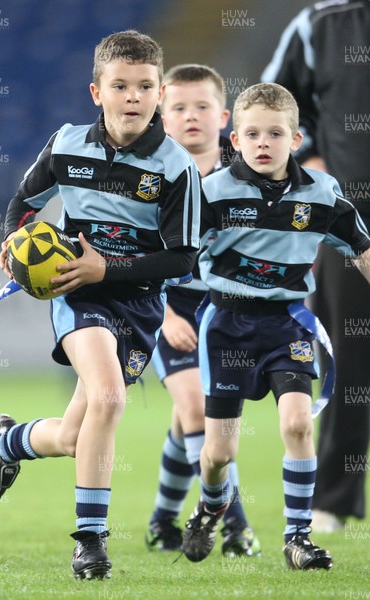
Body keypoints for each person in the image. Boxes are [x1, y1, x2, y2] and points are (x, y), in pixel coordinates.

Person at [0, 30, 201, 581]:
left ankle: (8, 443)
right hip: (78, 295)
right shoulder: (67, 143)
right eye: (119, 85)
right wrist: (13, 240)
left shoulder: (176, 168)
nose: (132, 96)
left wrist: (112, 267)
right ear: (96, 92)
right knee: (108, 397)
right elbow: (22, 203)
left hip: (141, 307)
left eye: (144, 86)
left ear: (159, 92)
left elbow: (182, 261)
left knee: (77, 435)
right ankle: (91, 542)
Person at [181, 82, 370, 570]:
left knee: (298, 423)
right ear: (236, 141)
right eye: (252, 134)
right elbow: (177, 256)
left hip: (288, 326)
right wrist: (164, 311)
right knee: (219, 452)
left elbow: (361, 249)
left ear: (296, 138)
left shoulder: (321, 194)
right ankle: (210, 505)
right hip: (226, 327)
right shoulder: (211, 193)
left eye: (275, 133)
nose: (264, 143)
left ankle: (297, 538)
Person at [261, 0, 370, 533]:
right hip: (351, 222)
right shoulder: (321, 23)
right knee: (350, 362)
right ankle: (333, 499)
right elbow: (270, 105)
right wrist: (311, 160)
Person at [145, 64, 260, 558]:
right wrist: (165, 314)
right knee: (196, 408)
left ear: (223, 117)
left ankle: (160, 520)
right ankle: (233, 525)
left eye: (202, 107)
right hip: (168, 306)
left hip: (227, 307)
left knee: (187, 416)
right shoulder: (148, 176)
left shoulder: (250, 174)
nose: (191, 116)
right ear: (162, 117)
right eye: (178, 108)